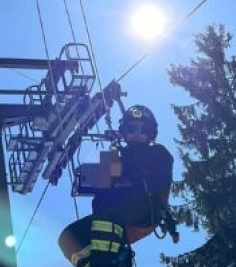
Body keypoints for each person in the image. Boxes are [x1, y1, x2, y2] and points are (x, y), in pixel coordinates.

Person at [58, 105, 178, 267]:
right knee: (69, 238)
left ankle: (104, 261)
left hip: (145, 209)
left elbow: (152, 180)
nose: (136, 133)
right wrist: (101, 165)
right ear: (124, 132)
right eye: (131, 128)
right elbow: (83, 182)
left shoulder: (158, 153)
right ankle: (104, 262)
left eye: (142, 129)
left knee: (108, 200)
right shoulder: (118, 159)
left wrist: (120, 161)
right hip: (117, 216)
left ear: (150, 133)